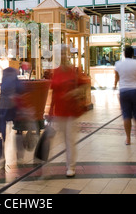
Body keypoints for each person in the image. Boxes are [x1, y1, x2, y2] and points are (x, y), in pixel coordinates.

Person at [48, 44, 90, 177]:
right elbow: (54, 91)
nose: (63, 55)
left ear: (68, 55)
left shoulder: (75, 71)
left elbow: (86, 84)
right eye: (60, 53)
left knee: (70, 139)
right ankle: (67, 164)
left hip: (72, 110)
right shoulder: (56, 71)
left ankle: (70, 166)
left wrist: (75, 92)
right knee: (62, 139)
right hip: (60, 111)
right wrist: (50, 110)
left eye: (64, 53)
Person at [114, 46, 136, 145]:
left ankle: (128, 138)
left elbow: (116, 78)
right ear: (133, 54)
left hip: (124, 91)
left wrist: (114, 86)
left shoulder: (118, 64)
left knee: (126, 115)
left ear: (124, 54)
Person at [0, 66, 21, 171]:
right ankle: (19, 156)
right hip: (13, 108)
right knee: (18, 131)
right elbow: (21, 90)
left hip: (3, 108)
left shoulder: (4, 79)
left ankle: (0, 159)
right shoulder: (15, 79)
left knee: (1, 135)